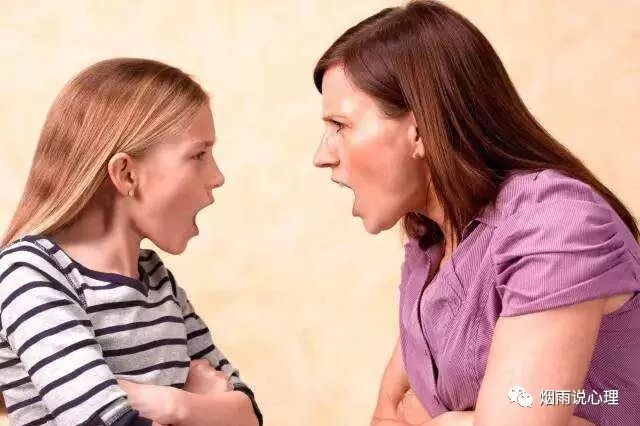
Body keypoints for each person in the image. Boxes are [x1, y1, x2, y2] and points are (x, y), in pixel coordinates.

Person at [312, 1, 640, 425]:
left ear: (419, 129)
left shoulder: (555, 225)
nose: (322, 155)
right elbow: (390, 414)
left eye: (340, 125)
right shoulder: (431, 248)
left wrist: (447, 420)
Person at [0, 58, 262, 426]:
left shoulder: (156, 278)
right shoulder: (31, 273)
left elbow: (249, 415)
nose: (217, 176)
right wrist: (205, 404)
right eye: (199, 155)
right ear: (126, 174)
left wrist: (173, 404)